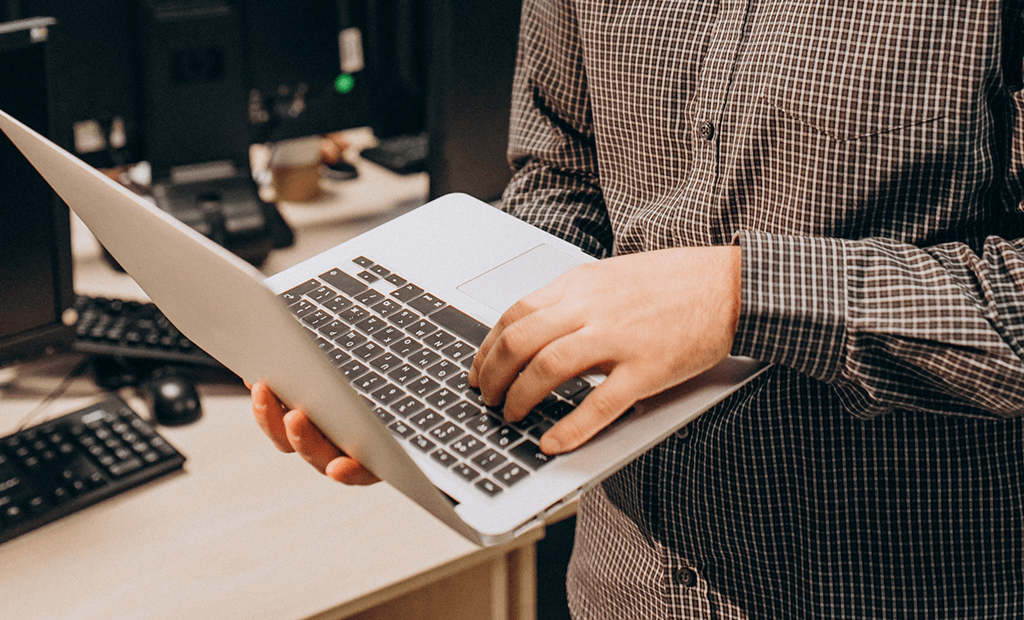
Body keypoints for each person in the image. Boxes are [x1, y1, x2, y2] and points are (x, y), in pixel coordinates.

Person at [252, 0, 1024, 617]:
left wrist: (741, 294)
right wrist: (432, 390)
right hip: (621, 582)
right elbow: (561, 180)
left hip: (896, 584)